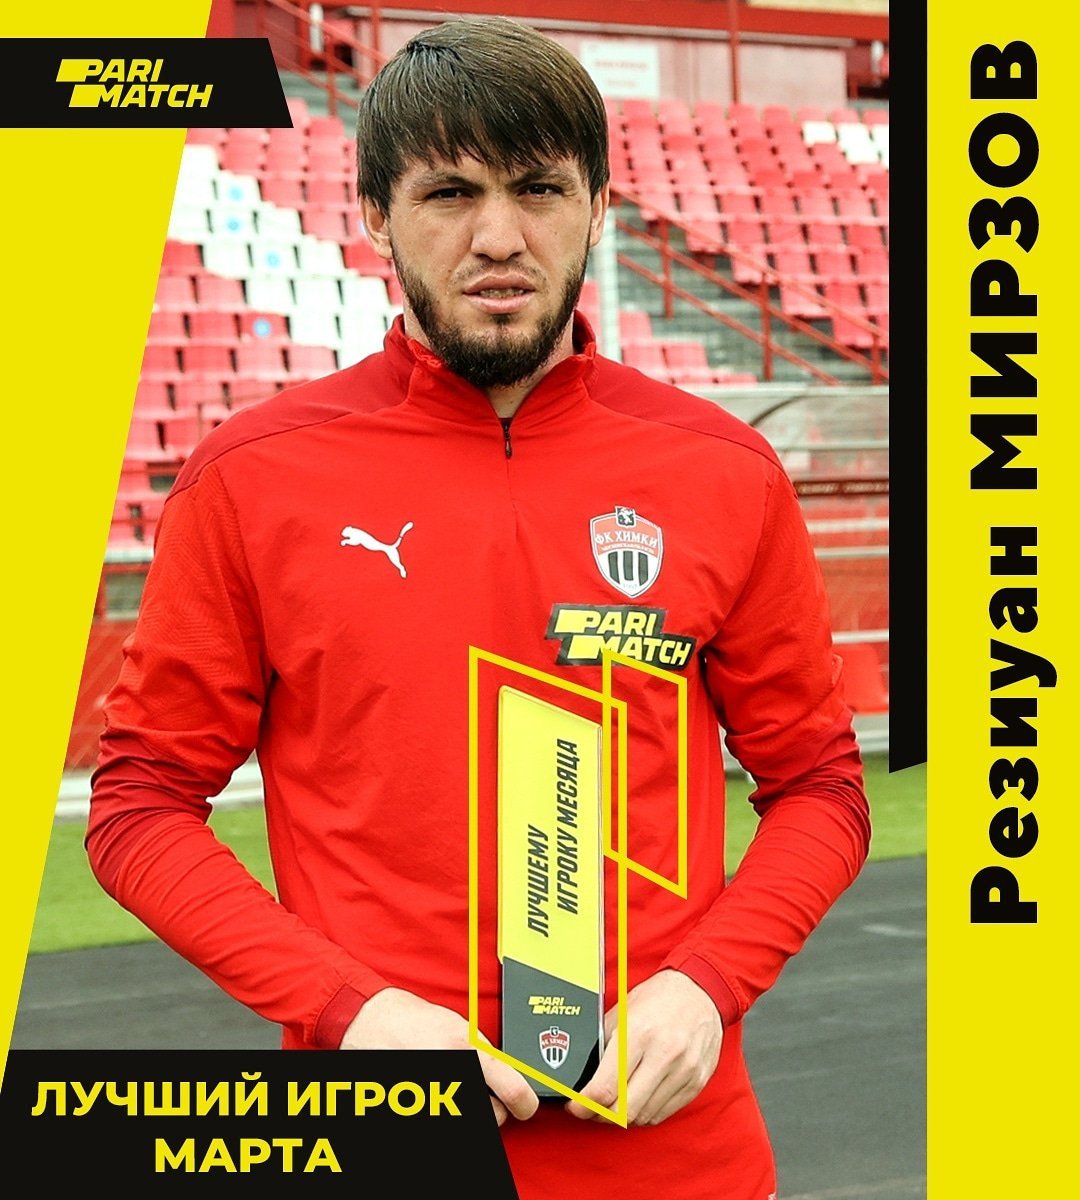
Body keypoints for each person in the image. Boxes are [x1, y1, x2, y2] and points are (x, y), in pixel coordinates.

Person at [86, 16, 870, 1200]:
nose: (499, 236)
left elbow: (820, 785)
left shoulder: (723, 472)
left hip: (675, 1158)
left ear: (598, 209)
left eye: (540, 188)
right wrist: (350, 1010)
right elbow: (139, 805)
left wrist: (706, 987)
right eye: (450, 192)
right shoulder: (252, 479)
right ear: (374, 214)